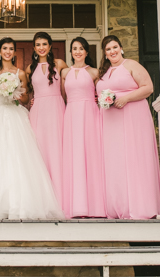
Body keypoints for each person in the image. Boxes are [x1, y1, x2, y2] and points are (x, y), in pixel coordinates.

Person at [0, 37, 64, 220]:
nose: (8, 51)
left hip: (15, 114)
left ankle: (18, 202)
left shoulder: (21, 73)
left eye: (11, 48)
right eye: (4, 48)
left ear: (14, 52)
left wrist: (14, 94)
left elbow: (25, 99)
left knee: (18, 157)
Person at [96, 35, 160, 219]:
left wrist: (125, 98)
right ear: (105, 53)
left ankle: (140, 207)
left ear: (121, 48)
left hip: (132, 118)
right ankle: (118, 206)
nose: (112, 51)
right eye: (108, 49)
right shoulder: (105, 72)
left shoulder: (131, 65)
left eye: (115, 47)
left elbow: (148, 88)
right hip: (110, 123)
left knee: (133, 158)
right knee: (115, 162)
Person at [61, 37, 105, 218]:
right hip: (71, 113)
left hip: (89, 114)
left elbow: (102, 93)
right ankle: (74, 205)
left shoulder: (95, 72)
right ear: (71, 52)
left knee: (90, 156)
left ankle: (94, 206)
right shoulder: (64, 72)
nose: (77, 51)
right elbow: (62, 96)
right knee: (73, 156)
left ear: (87, 52)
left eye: (81, 48)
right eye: (74, 48)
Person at [27, 32, 68, 207]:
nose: (41, 47)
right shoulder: (30, 68)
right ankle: (41, 197)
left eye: (45, 44)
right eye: (38, 44)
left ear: (50, 46)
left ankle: (61, 197)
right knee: (40, 149)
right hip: (38, 111)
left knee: (56, 148)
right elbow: (30, 90)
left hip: (56, 107)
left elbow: (67, 88)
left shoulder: (59, 64)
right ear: (34, 47)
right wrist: (31, 100)